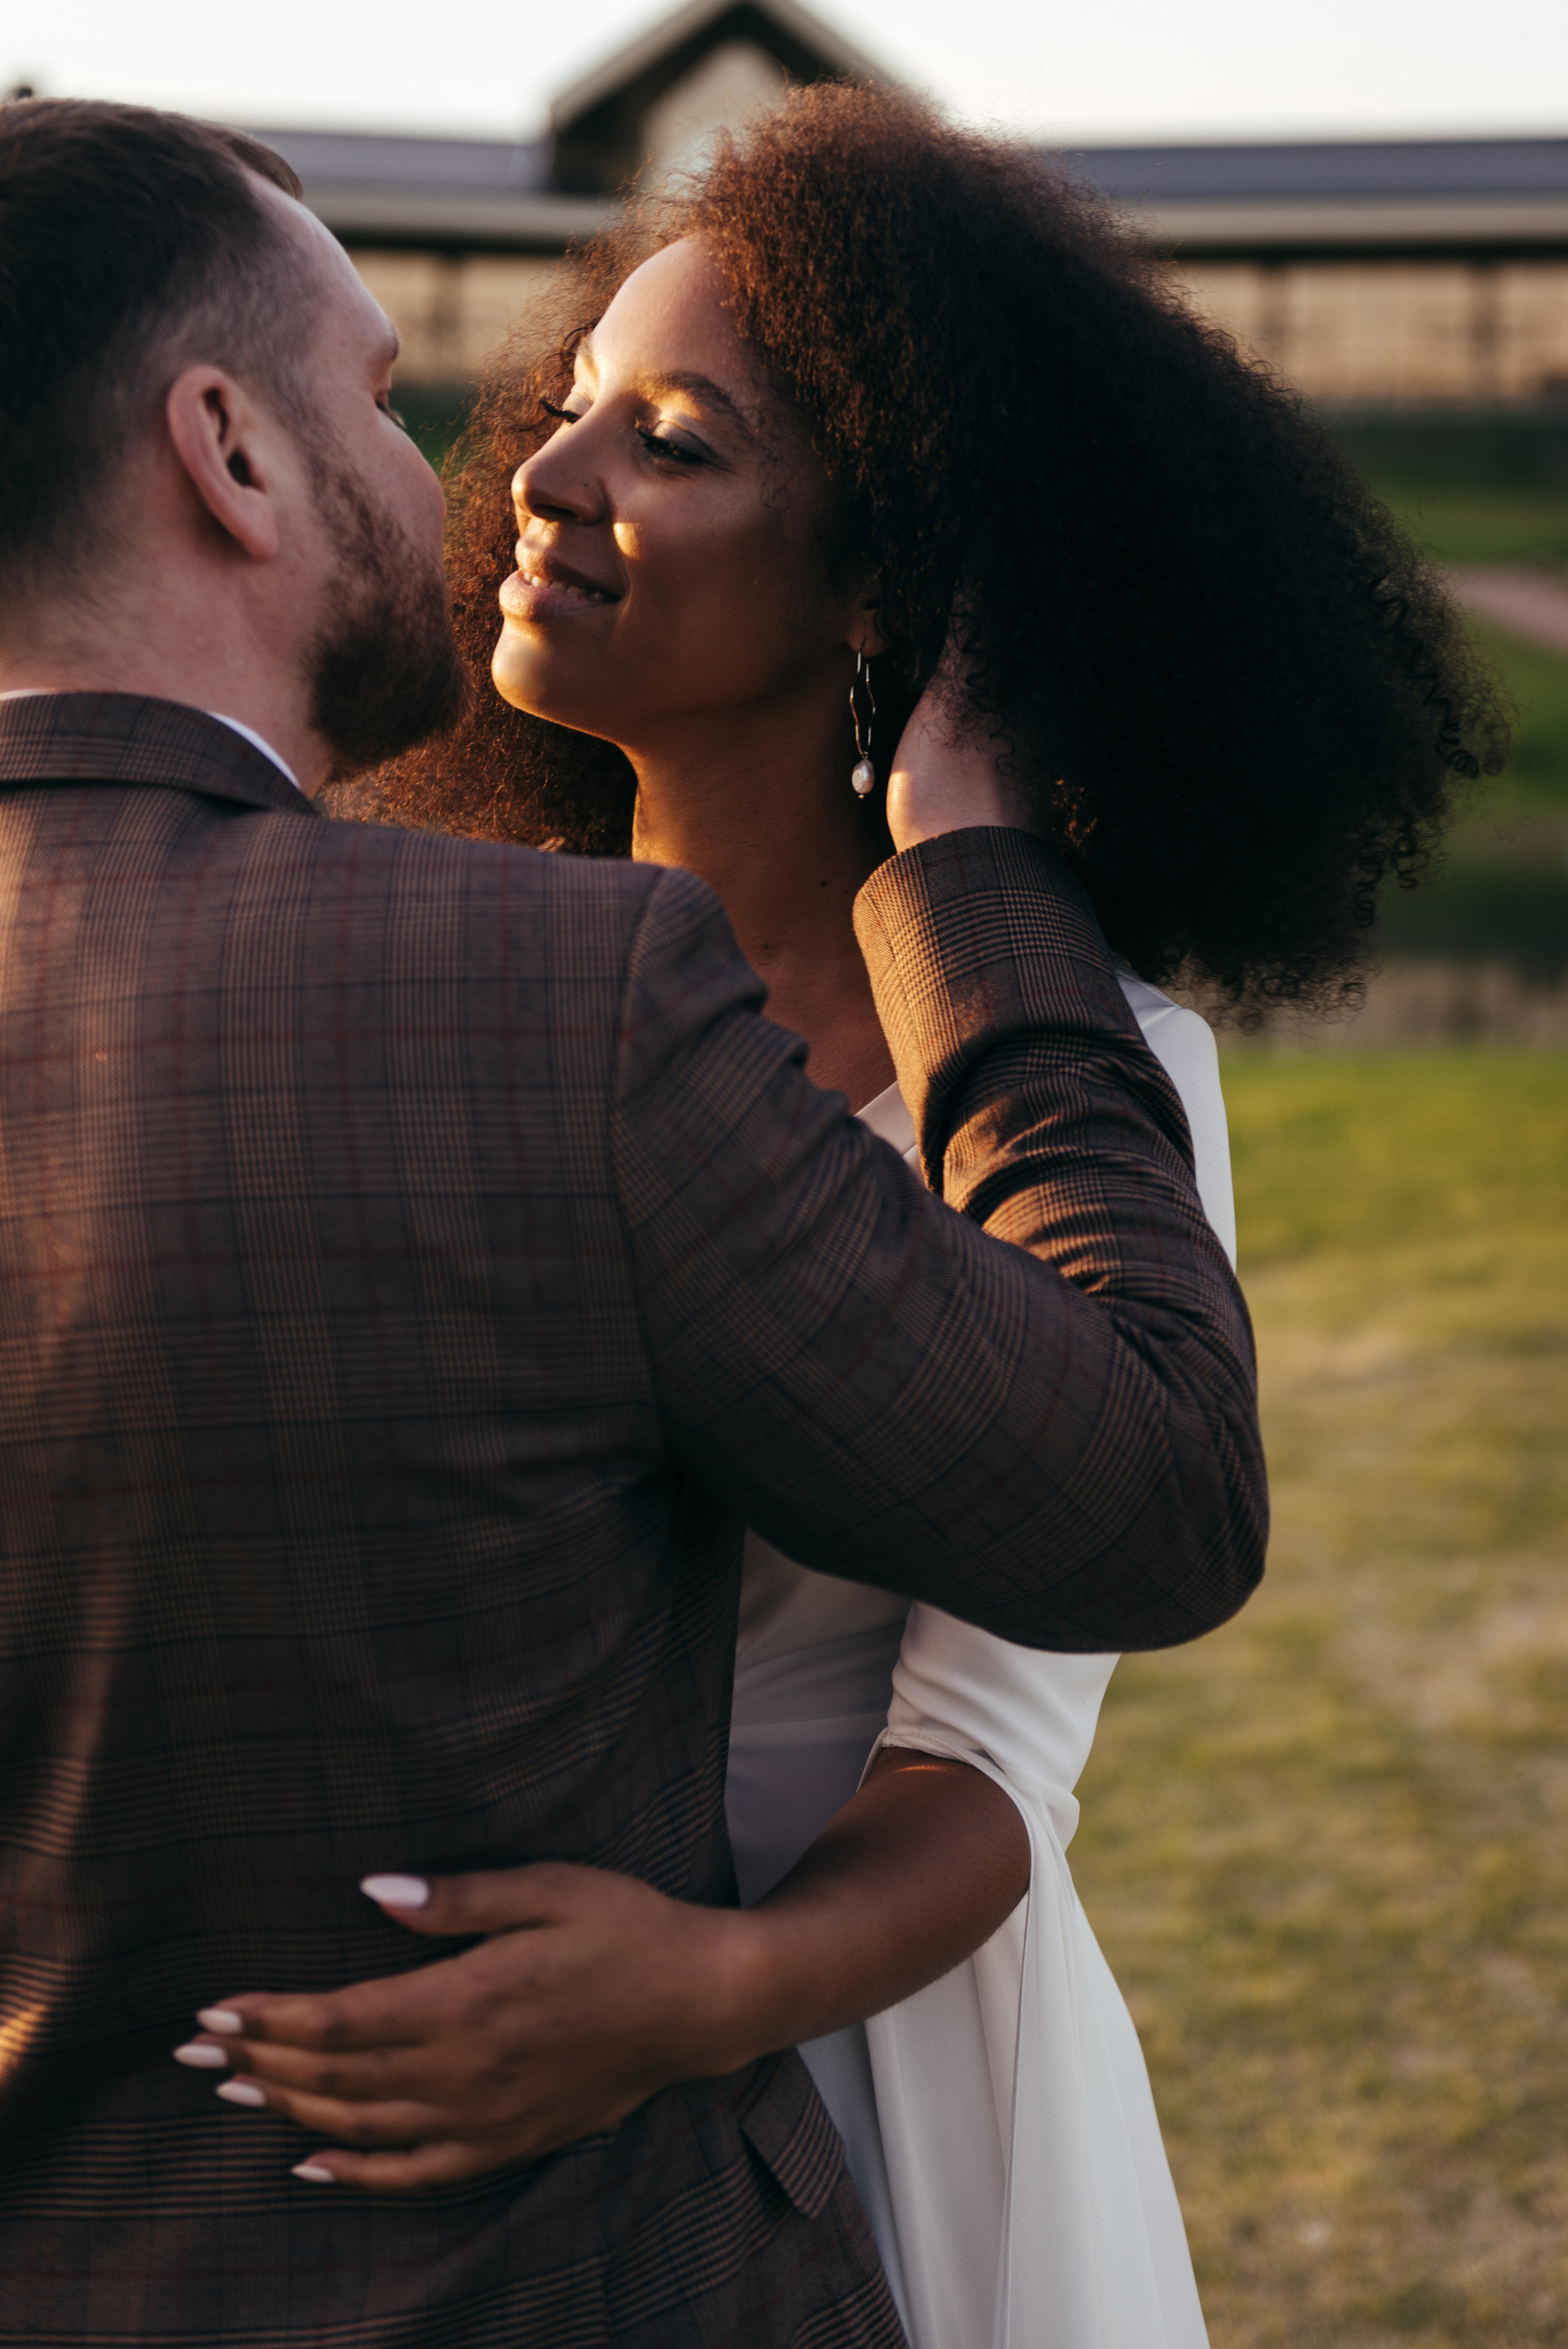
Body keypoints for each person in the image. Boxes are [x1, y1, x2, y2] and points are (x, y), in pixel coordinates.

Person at [189, 88, 1506, 2349]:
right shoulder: (435, 973)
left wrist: (700, 1988)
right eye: (575, 398)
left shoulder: (1091, 1086)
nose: (546, 474)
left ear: (890, 583)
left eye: (675, 442)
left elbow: (990, 1756)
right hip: (442, 2042)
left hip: (856, 2044)